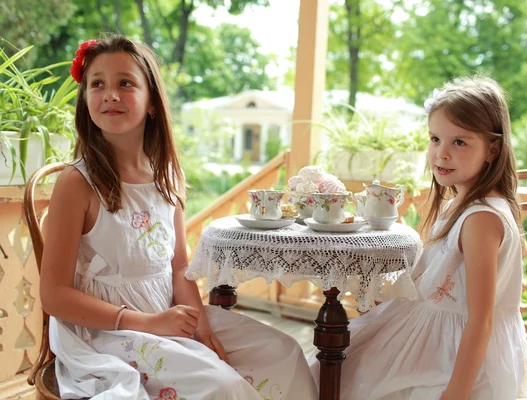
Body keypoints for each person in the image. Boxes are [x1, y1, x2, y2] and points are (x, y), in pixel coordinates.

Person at [40, 35, 318, 400]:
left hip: (169, 312)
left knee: (283, 353)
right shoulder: (77, 183)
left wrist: (202, 330)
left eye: (125, 83)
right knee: (223, 387)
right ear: (86, 99)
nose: (110, 94)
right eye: (97, 84)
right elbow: (54, 295)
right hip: (107, 331)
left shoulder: (168, 177)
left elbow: (178, 269)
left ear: (152, 101)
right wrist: (150, 324)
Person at [309, 76, 527, 399]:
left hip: (459, 357)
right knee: (342, 360)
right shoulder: (461, 204)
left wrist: (455, 394)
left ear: (493, 149)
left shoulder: (481, 218)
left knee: (346, 375)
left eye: (460, 142)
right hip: (436, 334)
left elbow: (481, 322)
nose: (441, 154)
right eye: (435, 138)